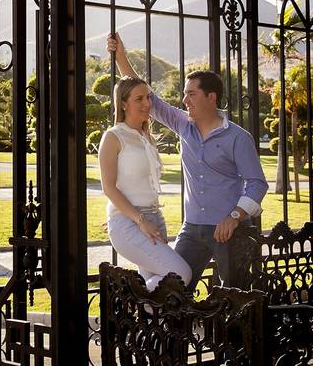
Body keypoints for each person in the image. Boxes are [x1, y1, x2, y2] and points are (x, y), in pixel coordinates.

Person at [107, 32, 268, 290]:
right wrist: (121, 57)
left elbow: (257, 184)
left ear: (211, 97)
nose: (184, 101)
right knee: (175, 287)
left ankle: (229, 332)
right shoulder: (184, 125)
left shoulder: (239, 138)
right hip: (192, 229)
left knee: (234, 296)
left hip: (229, 230)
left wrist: (235, 216)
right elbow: (148, 96)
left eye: (191, 94)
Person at [100, 75, 192, 291]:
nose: (147, 104)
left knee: (161, 287)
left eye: (148, 97)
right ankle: (130, 300)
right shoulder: (113, 137)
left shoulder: (146, 136)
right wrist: (137, 219)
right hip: (131, 222)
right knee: (179, 275)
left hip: (155, 219)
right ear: (123, 103)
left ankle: (141, 317)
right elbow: (109, 188)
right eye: (139, 99)